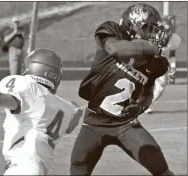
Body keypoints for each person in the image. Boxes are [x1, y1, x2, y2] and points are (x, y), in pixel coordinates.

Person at [70, 3, 174, 176]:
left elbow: (147, 93)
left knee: (160, 168)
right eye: (149, 28)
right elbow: (116, 48)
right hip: (94, 123)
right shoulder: (113, 32)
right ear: (133, 25)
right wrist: (151, 48)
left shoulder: (155, 63)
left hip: (125, 124)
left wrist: (140, 107)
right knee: (78, 168)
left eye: (154, 29)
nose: (154, 34)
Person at [145, 15, 181, 114]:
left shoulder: (174, 39)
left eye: (168, 29)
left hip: (161, 63)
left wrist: (173, 66)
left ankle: (148, 105)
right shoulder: (152, 36)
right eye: (164, 29)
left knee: (161, 85)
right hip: (147, 61)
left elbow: (172, 54)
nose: (166, 33)